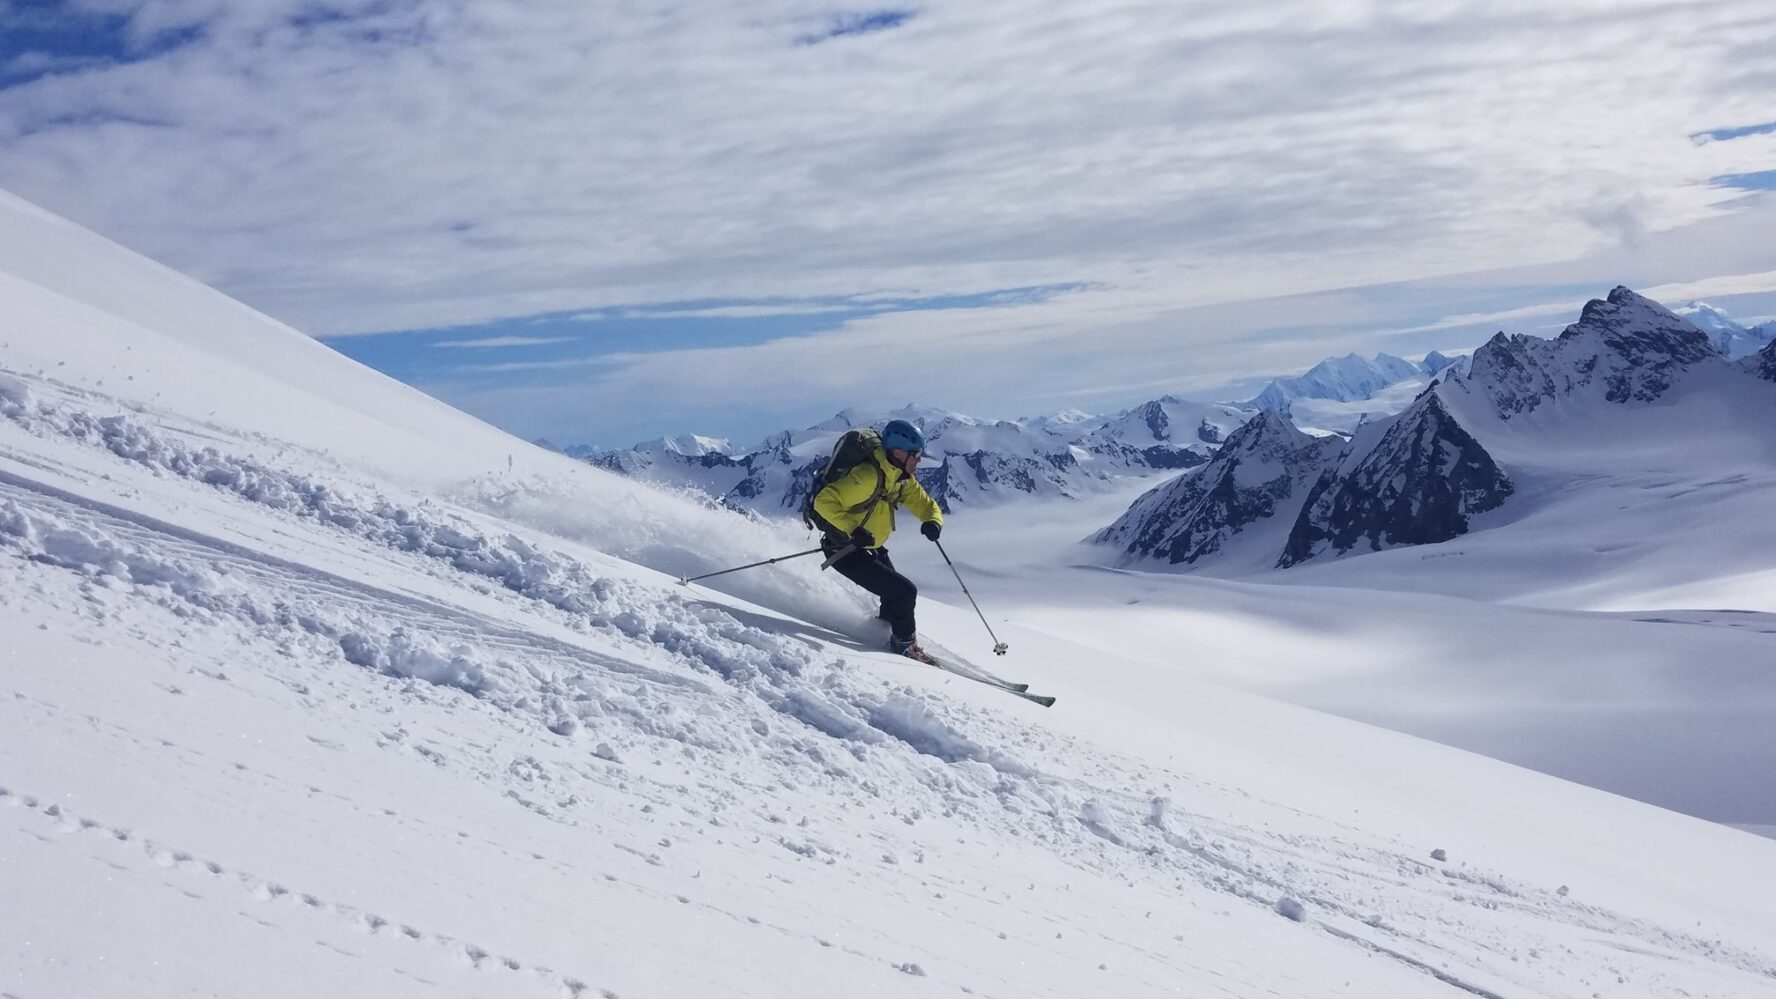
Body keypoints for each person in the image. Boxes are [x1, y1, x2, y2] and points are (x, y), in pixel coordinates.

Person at [811, 419, 944, 662]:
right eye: (916, 454)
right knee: (904, 592)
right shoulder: (867, 477)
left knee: (895, 593)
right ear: (899, 452)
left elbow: (926, 505)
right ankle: (905, 645)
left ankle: (885, 632)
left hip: (869, 547)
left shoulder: (900, 477)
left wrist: (933, 521)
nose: (919, 460)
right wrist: (853, 529)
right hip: (844, 550)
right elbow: (823, 502)